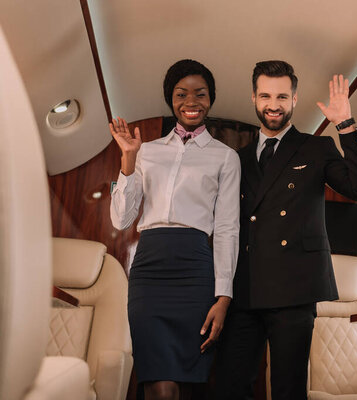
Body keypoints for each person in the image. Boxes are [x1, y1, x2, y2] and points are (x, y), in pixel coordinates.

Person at [213, 60, 357, 400]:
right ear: (254, 98)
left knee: (289, 390)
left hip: (295, 288)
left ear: (295, 99)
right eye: (265, 96)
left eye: (282, 96)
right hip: (245, 288)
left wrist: (345, 125)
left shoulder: (316, 148)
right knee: (231, 386)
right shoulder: (236, 159)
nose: (273, 105)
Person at [110, 59, 240, 400]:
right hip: (149, 271)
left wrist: (223, 297)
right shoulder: (146, 152)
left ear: (211, 99)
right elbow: (121, 220)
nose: (191, 101)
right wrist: (127, 160)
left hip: (195, 271)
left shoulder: (225, 157)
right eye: (182, 94)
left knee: (184, 384)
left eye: (200, 93)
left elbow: (227, 228)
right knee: (158, 382)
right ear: (171, 99)